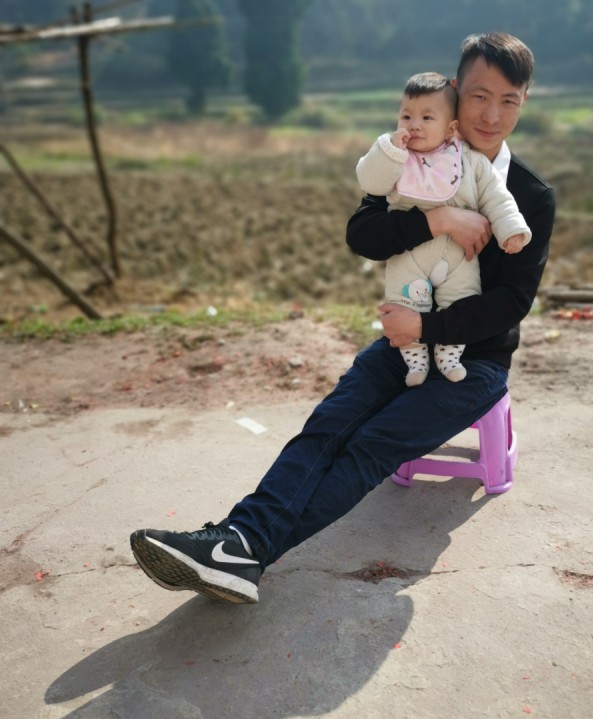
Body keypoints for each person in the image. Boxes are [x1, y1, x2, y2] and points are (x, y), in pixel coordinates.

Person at [130, 31, 555, 605]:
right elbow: (363, 234)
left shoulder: (530, 194)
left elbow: (511, 304)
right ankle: (239, 544)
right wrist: (437, 221)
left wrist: (425, 329)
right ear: (456, 90)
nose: (492, 115)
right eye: (479, 96)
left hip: (474, 362)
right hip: (401, 347)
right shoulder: (411, 154)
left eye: (509, 101)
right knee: (328, 425)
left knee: (372, 443)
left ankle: (242, 550)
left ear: (524, 102)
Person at [356, 70, 531, 386]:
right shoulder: (398, 161)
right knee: (403, 301)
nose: (414, 125)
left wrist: (511, 229)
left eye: (426, 118)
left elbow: (497, 198)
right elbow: (370, 186)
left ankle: (449, 357)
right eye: (406, 116)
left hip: (458, 258)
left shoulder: (470, 161)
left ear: (450, 128)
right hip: (410, 257)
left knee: (463, 295)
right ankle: (415, 361)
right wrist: (388, 151)